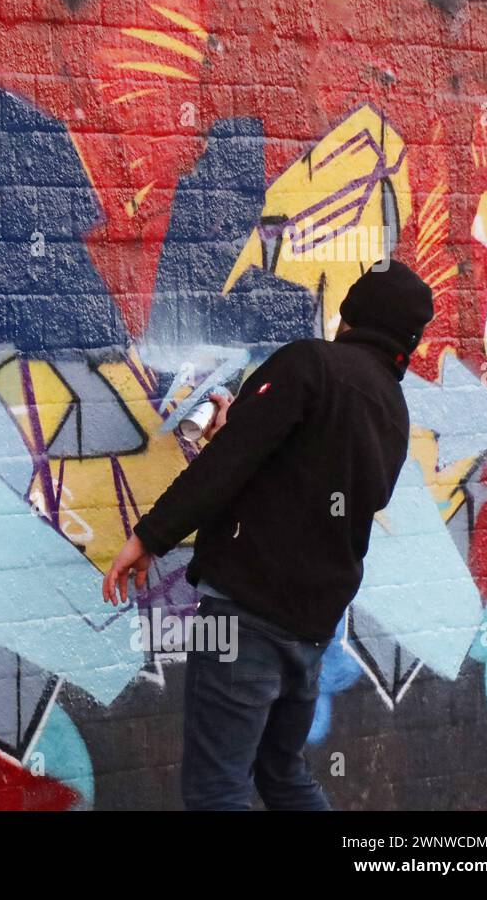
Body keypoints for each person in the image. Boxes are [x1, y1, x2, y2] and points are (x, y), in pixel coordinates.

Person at [104, 258, 434, 810]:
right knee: (281, 774)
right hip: (311, 627)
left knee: (217, 789)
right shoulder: (393, 410)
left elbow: (232, 463)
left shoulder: (310, 364)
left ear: (348, 316)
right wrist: (243, 433)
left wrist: (149, 537)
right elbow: (318, 483)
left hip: (246, 616)